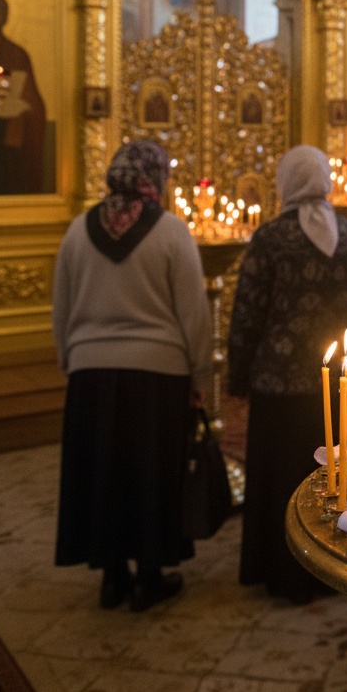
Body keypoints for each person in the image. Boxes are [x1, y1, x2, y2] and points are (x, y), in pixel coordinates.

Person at [53, 140, 212, 612]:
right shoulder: (170, 232)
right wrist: (200, 376)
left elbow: (60, 309)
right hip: (158, 375)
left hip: (90, 373)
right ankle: (149, 575)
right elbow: (195, 315)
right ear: (155, 178)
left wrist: (71, 361)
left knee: (101, 472)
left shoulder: (77, 232)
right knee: (150, 473)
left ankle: (111, 576)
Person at [227, 145, 347, 604]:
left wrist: (237, 376)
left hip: (279, 381)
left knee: (281, 479)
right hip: (335, 381)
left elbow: (248, 311)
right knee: (328, 476)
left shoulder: (271, 238)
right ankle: (332, 568)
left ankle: (282, 573)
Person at [0, 0, 47, 194]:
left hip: (6, 132)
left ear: (4, 19)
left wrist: (21, 103)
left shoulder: (17, 55)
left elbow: (32, 99)